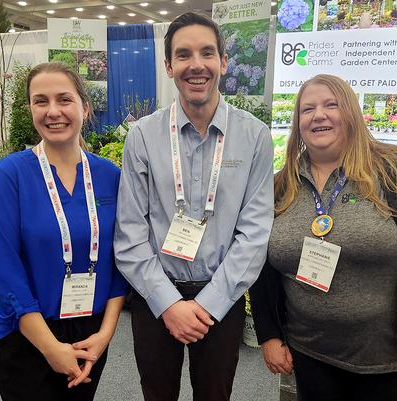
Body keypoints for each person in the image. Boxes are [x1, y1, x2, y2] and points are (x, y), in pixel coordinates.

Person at [249, 74, 397, 401]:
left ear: (352, 114)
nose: (318, 115)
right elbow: (260, 266)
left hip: (393, 364)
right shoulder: (279, 187)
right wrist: (269, 335)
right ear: (297, 123)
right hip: (309, 355)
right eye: (307, 109)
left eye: (331, 105)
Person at [114, 12, 274, 401]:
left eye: (207, 52)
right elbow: (130, 232)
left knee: (215, 395)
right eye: (183, 55)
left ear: (222, 61)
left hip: (222, 298)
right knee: (157, 394)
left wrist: (210, 304)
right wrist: (169, 304)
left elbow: (254, 233)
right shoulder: (142, 136)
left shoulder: (254, 136)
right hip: (156, 298)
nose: (196, 65)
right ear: (169, 66)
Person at [0, 62, 128, 401]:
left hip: (89, 332)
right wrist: (49, 347)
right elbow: (3, 270)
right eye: (40, 101)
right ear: (30, 108)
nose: (53, 111)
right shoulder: (10, 175)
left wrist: (105, 333)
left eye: (64, 99)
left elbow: (122, 257)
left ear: (84, 107)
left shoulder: (109, 176)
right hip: (27, 333)